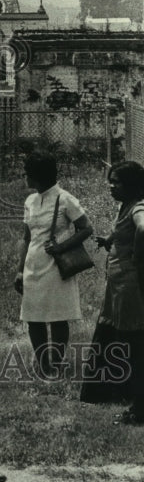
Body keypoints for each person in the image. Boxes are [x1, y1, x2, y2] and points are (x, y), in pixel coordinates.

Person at [14, 152, 93, 379]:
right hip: (33, 263)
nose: (24, 177)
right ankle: (43, 364)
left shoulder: (65, 198)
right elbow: (26, 238)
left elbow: (87, 229)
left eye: (27, 173)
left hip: (57, 265)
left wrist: (62, 246)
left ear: (37, 176)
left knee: (58, 317)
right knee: (33, 316)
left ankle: (56, 365)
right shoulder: (30, 201)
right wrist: (20, 270)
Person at [82, 162, 144, 424]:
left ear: (130, 184)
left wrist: (138, 258)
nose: (111, 186)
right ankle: (115, 393)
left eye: (116, 182)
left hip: (130, 287)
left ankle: (138, 406)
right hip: (118, 286)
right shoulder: (126, 206)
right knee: (115, 336)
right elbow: (127, 233)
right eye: (110, 181)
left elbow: (142, 228)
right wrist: (110, 241)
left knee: (132, 342)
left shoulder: (139, 207)